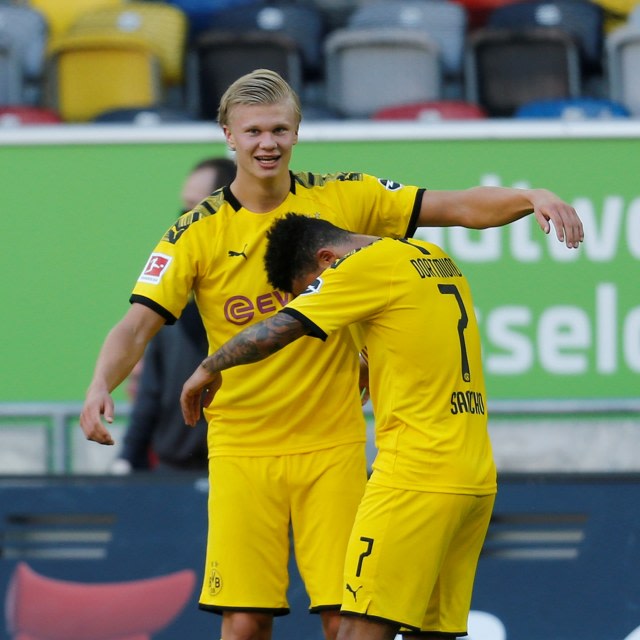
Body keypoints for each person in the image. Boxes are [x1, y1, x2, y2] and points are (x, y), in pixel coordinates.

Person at [79, 69, 583, 640]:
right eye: (253, 132)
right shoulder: (195, 232)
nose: (267, 143)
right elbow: (137, 324)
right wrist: (100, 383)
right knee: (244, 622)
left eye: (279, 129)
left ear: (296, 132)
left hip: (333, 442)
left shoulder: (345, 198)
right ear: (228, 135)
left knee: (347, 615)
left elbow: (458, 207)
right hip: (242, 446)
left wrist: (531, 196)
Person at [181, 213, 497, 640]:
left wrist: (209, 366)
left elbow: (280, 329)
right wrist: (370, 360)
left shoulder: (361, 265)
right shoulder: (431, 256)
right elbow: (411, 331)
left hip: (414, 476)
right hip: (473, 475)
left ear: (327, 259)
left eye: (311, 288)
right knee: (430, 632)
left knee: (357, 629)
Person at [116, 156, 236, 472]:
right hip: (174, 471)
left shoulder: (264, 304)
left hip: (241, 466)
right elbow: (149, 395)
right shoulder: (170, 308)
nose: (183, 222)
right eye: (184, 210)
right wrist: (128, 458)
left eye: (194, 210)